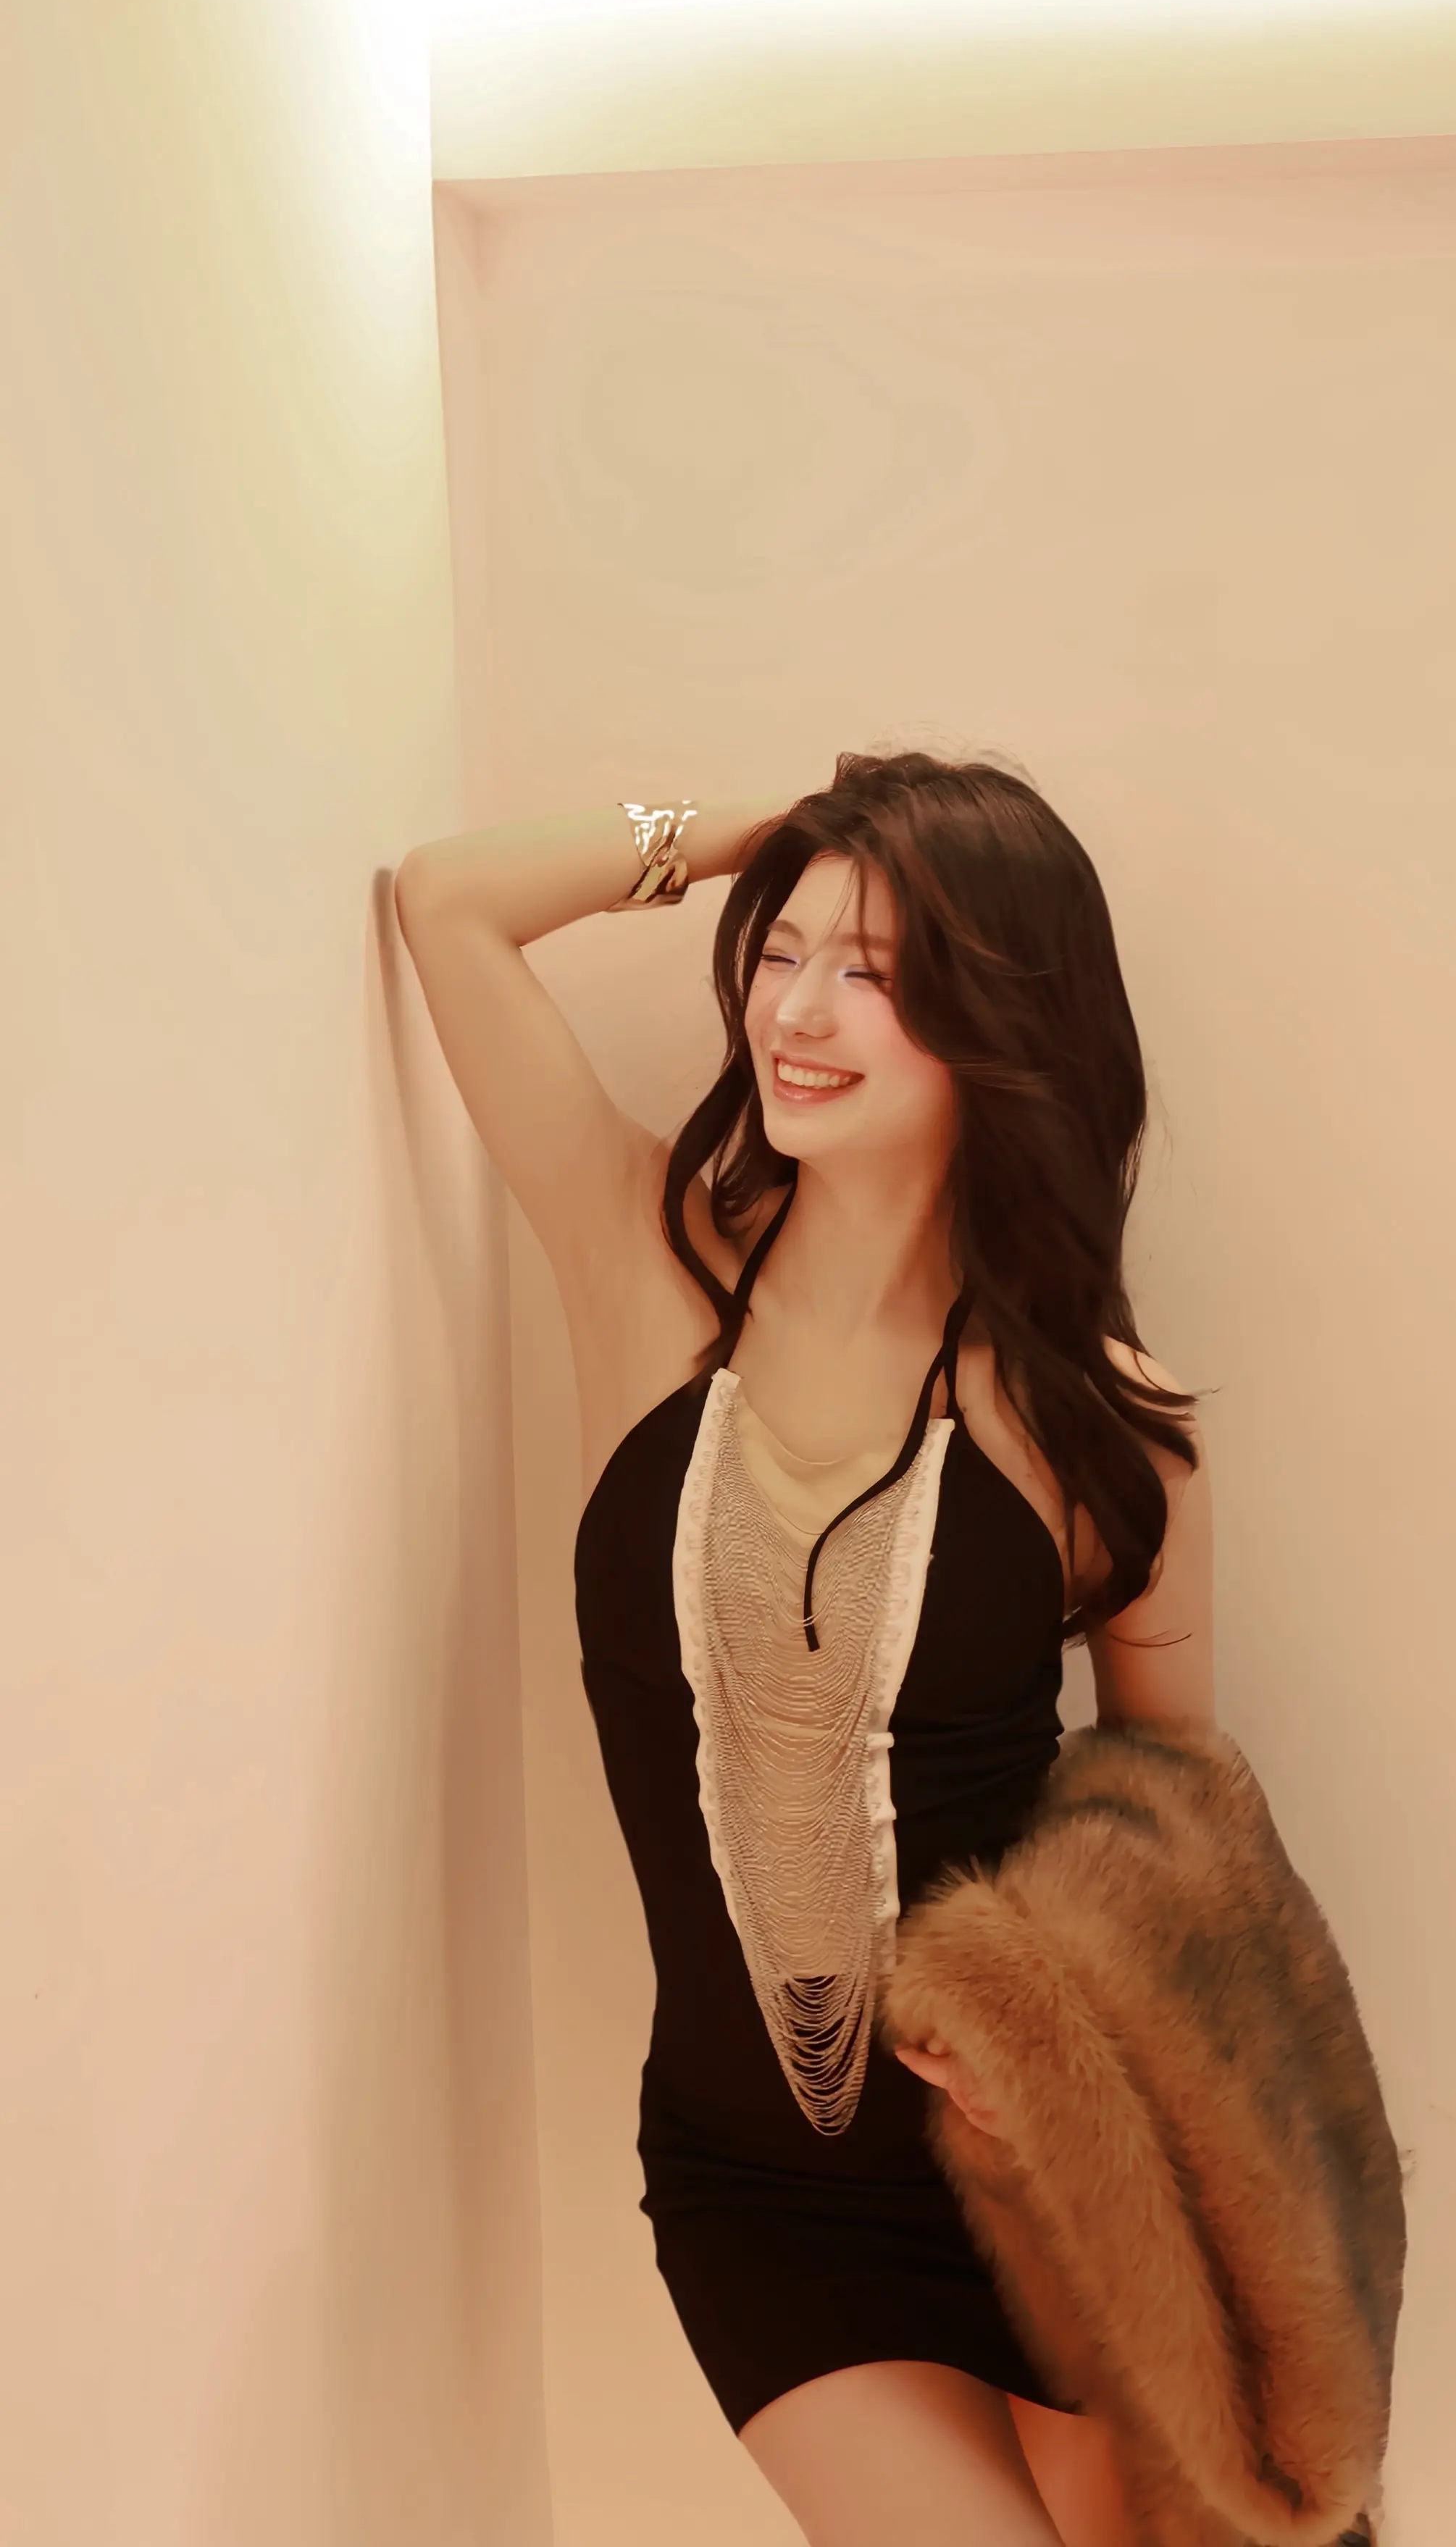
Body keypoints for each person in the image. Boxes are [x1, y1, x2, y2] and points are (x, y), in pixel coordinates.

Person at [394, 750, 1215, 2547]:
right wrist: (769, 834)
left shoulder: (1102, 1420)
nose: (797, 1010)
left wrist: (1057, 2056)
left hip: (1056, 2181)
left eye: (877, 972)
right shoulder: (646, 1259)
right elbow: (444, 903)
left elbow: (1177, 1824)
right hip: (762, 2198)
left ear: (1005, 1016)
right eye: (784, 954)